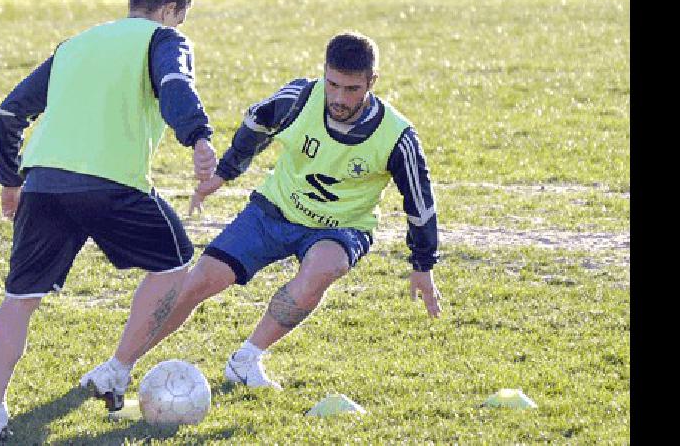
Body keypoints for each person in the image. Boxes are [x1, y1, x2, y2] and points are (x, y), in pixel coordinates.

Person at [84, 31, 442, 399]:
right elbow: (256, 125)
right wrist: (223, 174)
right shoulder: (299, 98)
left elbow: (420, 201)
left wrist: (423, 265)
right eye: (332, 84)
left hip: (341, 228)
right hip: (272, 211)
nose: (338, 98)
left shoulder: (397, 136)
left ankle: (246, 359)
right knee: (198, 282)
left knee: (325, 268)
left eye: (351, 89)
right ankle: (118, 367)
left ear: (372, 82)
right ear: (324, 73)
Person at [0, 0, 217, 442]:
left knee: (18, 301)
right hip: (113, 185)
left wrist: (11, 180)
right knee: (175, 266)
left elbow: (9, 113)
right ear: (170, 10)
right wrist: (199, 139)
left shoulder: (74, 45)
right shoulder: (163, 39)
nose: (178, 28)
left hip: (43, 184)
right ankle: (116, 369)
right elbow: (175, 87)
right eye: (179, 19)